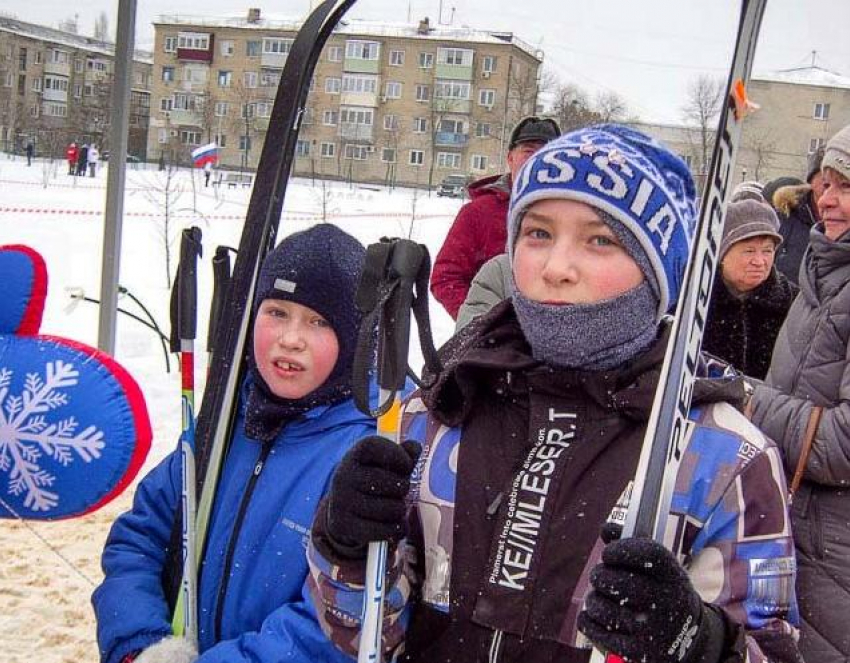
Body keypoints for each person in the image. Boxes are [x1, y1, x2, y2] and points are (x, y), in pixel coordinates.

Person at [308, 126, 801, 663]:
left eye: (600, 240)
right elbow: (373, 634)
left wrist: (699, 643)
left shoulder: (726, 454)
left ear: (658, 269)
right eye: (538, 233)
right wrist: (347, 549)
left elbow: (772, 650)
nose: (556, 268)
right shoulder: (441, 407)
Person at [92, 224, 375, 663]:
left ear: (356, 340)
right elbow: (138, 538)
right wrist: (139, 644)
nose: (290, 338)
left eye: (319, 322)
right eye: (277, 312)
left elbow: (332, 624)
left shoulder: (363, 454)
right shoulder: (225, 423)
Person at [748, 123, 850, 663]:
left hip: (837, 551)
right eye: (824, 183)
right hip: (791, 524)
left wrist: (746, 400)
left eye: (846, 186)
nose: (827, 199)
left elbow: (842, 447)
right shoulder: (824, 272)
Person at [430, 116, 560, 319]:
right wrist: (482, 324)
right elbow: (445, 277)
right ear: (510, 158)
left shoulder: (573, 217)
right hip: (491, 344)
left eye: (548, 153)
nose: (537, 161)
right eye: (528, 152)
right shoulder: (478, 213)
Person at [702, 200, 798, 380]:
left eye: (767, 251)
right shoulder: (696, 299)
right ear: (722, 254)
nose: (759, 261)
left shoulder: (793, 302)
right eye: (749, 251)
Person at [771, 147, 826, 285]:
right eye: (826, 176)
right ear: (812, 180)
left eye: (844, 182)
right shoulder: (784, 215)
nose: (832, 187)